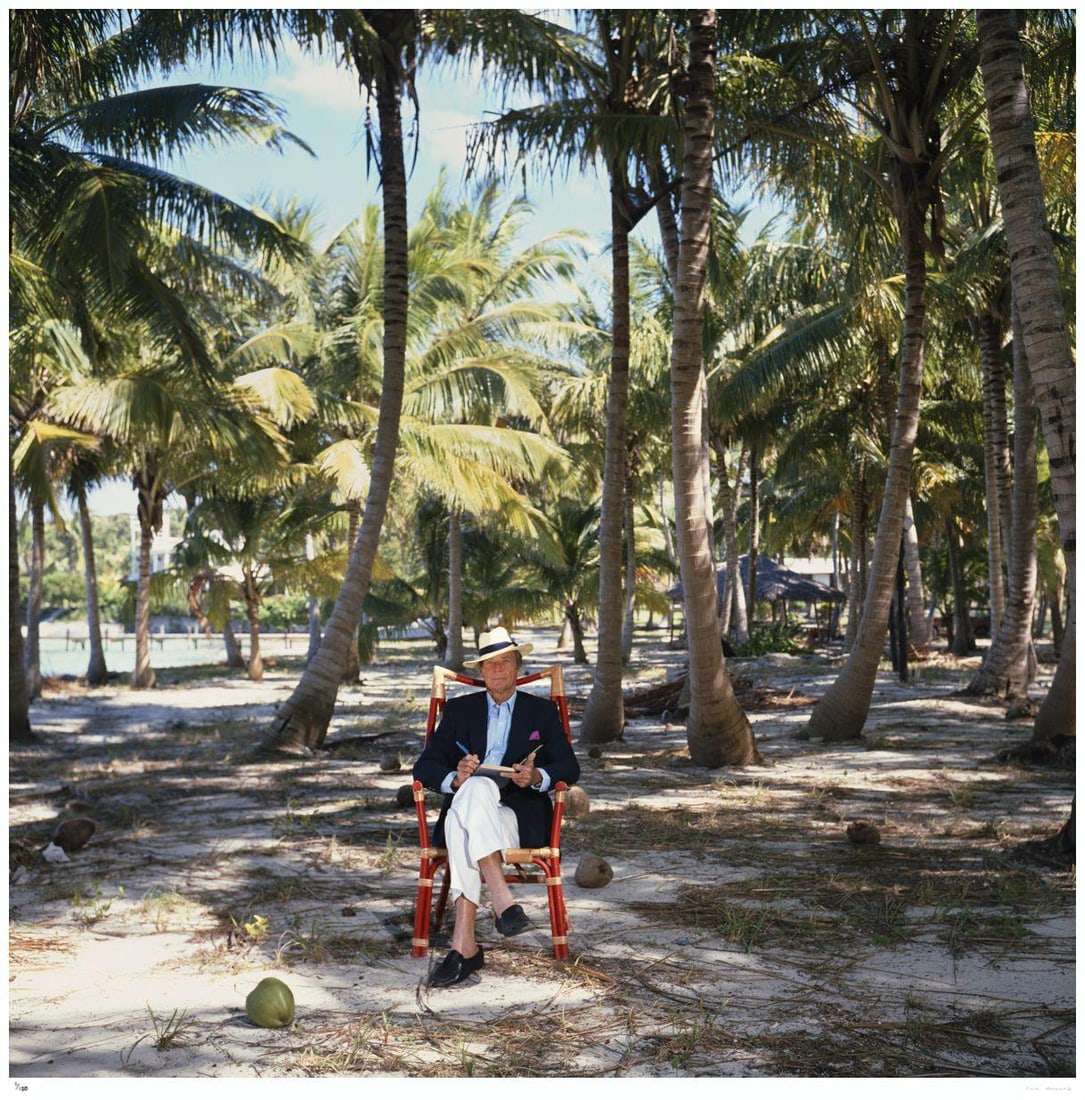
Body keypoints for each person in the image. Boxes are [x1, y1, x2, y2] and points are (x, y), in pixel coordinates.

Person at [412, 626, 580, 987]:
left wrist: (536, 777)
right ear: (481, 671)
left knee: (463, 819)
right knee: (471, 794)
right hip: (475, 815)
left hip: (516, 818)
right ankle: (494, 912)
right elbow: (424, 767)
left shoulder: (541, 712)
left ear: (518, 667)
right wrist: (455, 778)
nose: (498, 669)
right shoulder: (459, 711)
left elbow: (570, 767)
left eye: (505, 661)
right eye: (490, 664)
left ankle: (467, 948)